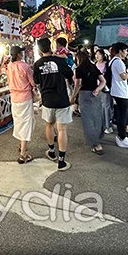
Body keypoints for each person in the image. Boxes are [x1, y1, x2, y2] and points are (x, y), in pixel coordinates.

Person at [33, 37, 74, 171]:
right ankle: (61, 161)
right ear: (50, 46)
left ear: (39, 50)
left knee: (49, 125)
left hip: (47, 100)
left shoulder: (38, 64)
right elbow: (70, 74)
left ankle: (51, 151)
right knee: (62, 129)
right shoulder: (60, 60)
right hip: (62, 99)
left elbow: (36, 81)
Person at [70, 50, 107, 154]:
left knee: (88, 120)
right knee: (97, 117)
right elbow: (103, 81)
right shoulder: (93, 66)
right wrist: (97, 89)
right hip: (95, 95)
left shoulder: (79, 69)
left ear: (78, 58)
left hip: (84, 95)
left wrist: (73, 97)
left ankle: (96, 144)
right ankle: (98, 139)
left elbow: (78, 84)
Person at [6, 46, 36, 164]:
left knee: (18, 122)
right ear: (18, 54)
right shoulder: (25, 66)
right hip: (25, 97)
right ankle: (23, 154)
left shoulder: (9, 66)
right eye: (21, 52)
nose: (23, 54)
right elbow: (32, 82)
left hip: (14, 98)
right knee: (26, 124)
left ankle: (21, 145)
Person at [109, 42, 128, 149]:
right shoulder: (118, 62)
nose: (127, 52)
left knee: (120, 114)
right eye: (125, 50)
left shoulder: (114, 61)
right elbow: (124, 77)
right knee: (122, 115)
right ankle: (122, 137)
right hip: (120, 92)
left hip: (116, 91)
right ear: (120, 51)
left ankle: (121, 136)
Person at [95, 48, 113, 134]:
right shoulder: (95, 64)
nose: (97, 56)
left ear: (103, 55)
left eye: (99, 54)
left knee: (107, 107)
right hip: (97, 88)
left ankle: (108, 125)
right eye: (96, 54)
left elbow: (108, 77)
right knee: (100, 107)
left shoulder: (107, 65)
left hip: (105, 88)